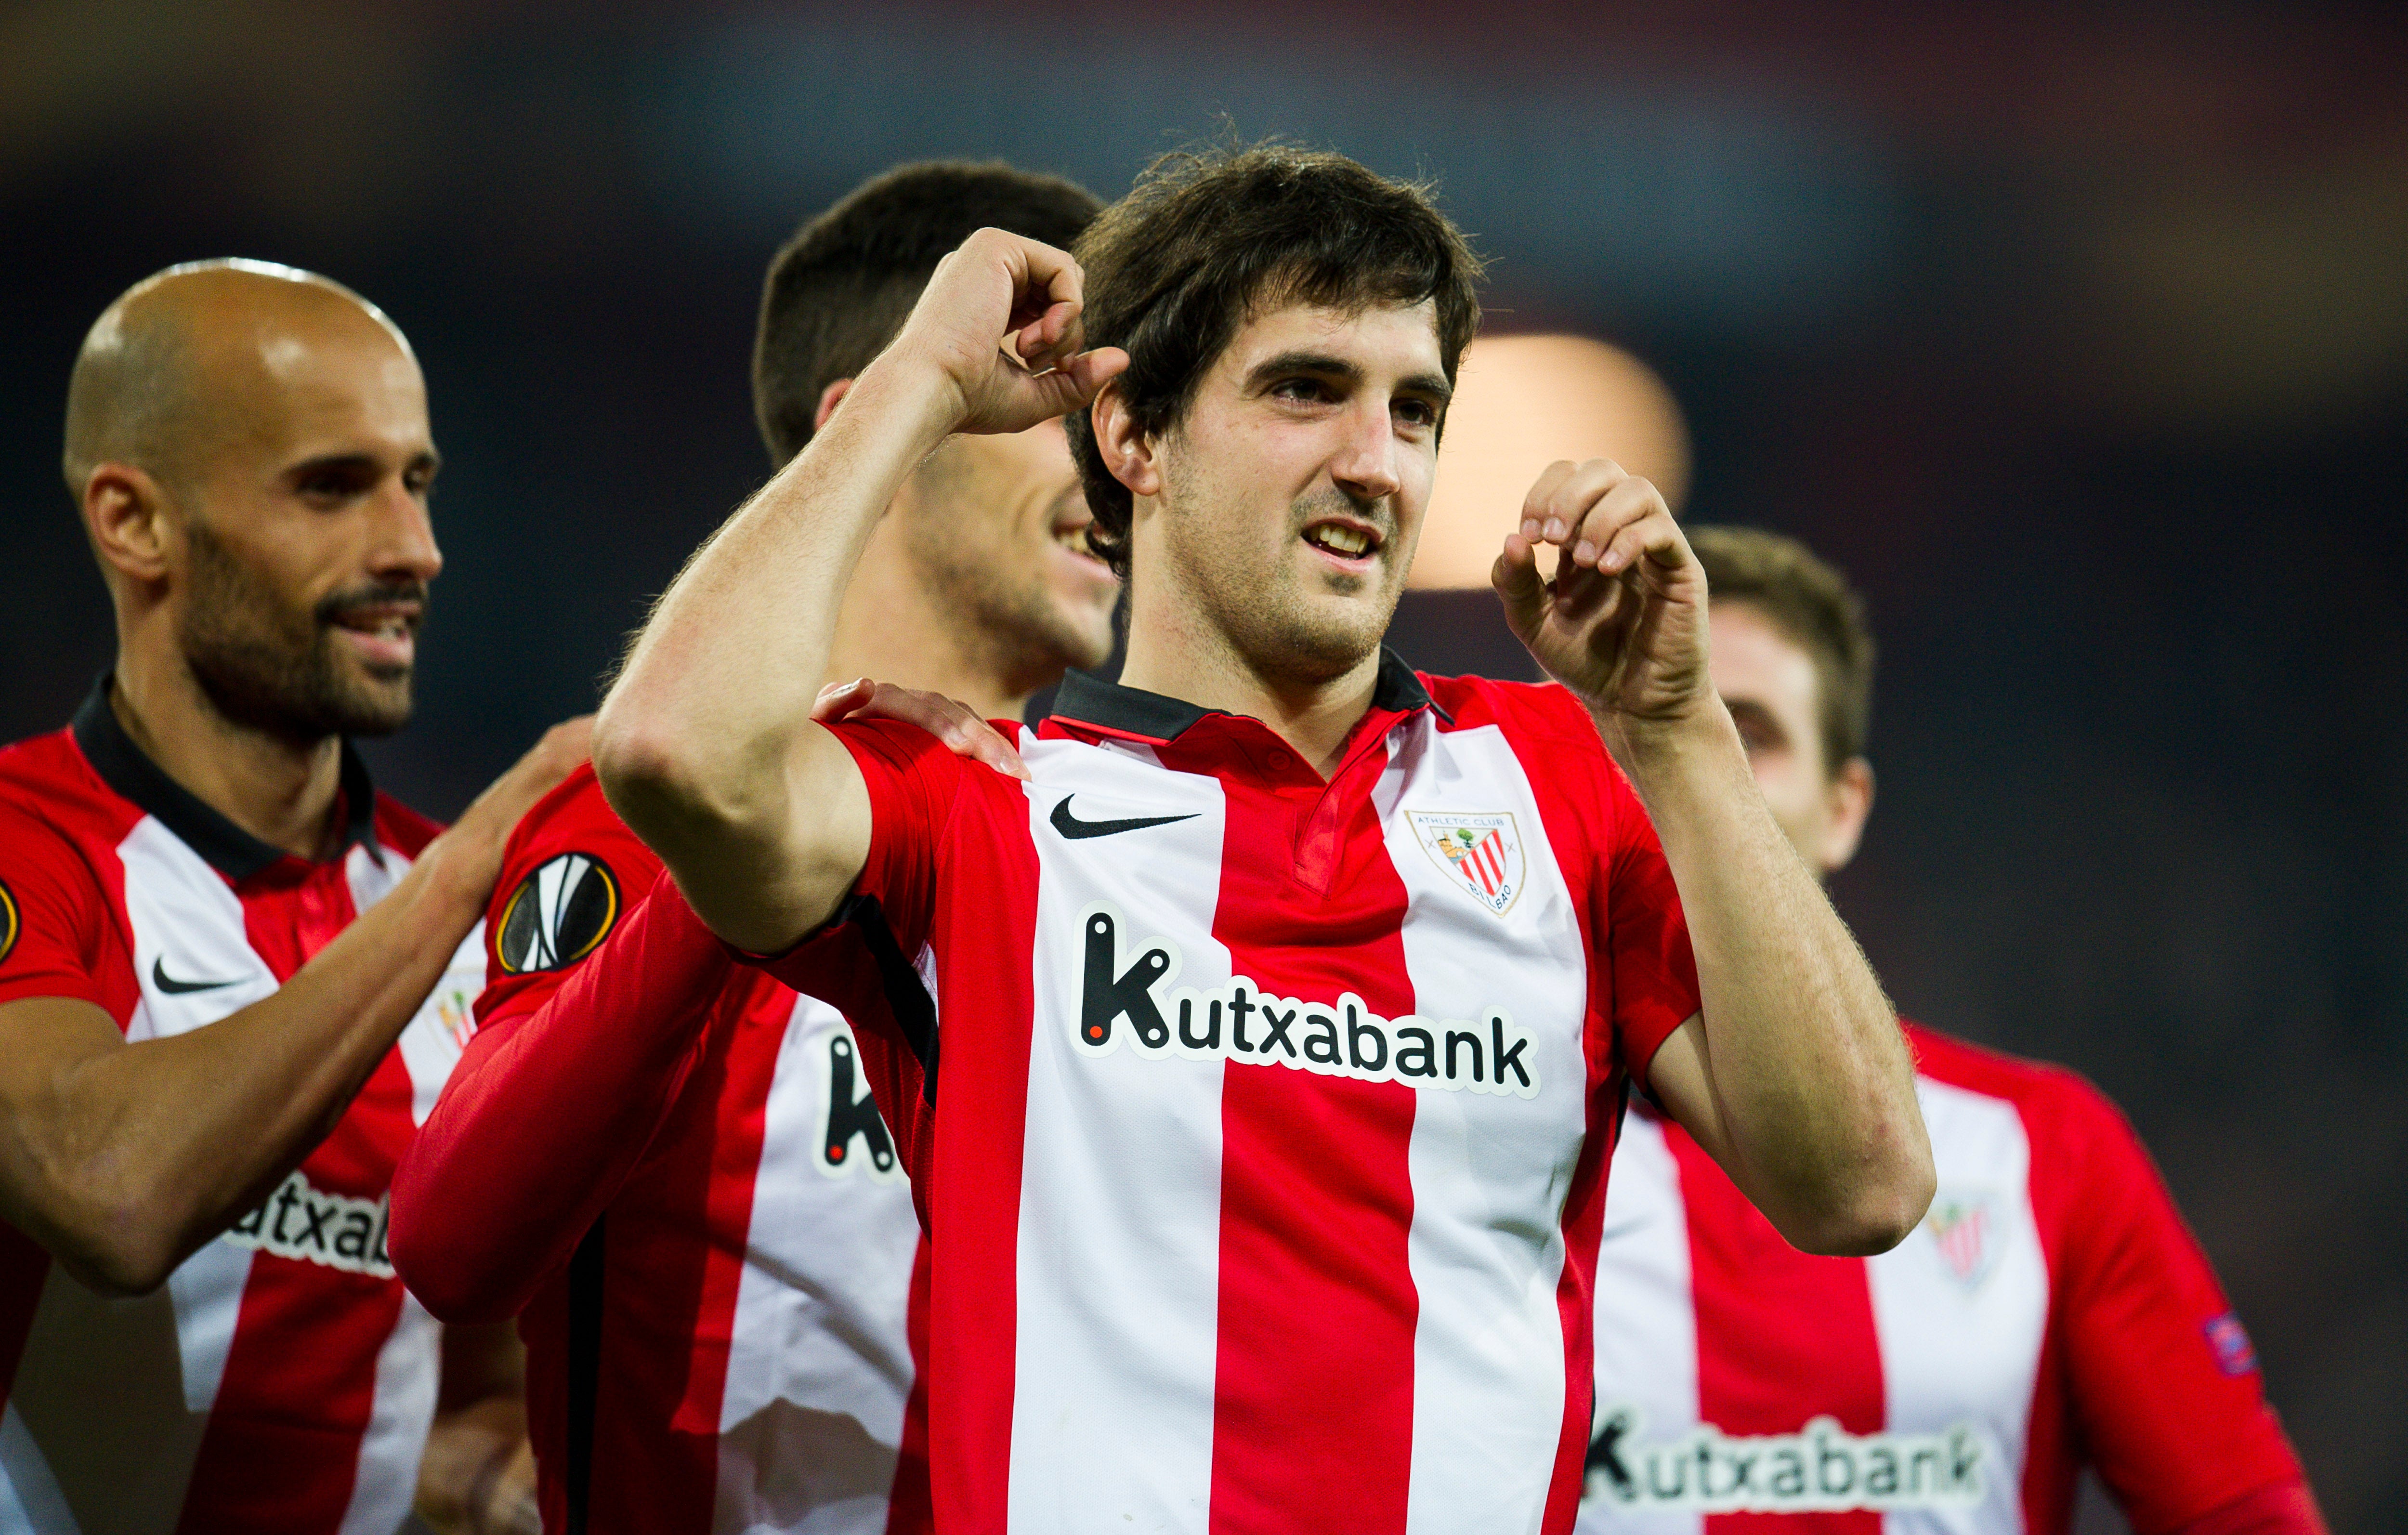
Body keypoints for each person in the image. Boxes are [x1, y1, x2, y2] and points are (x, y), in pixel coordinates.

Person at [589, 141, 1936, 1534]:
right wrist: (917, 387)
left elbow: (1865, 1182)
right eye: (1305, 390)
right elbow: (673, 751)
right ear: (1133, 438)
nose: (1375, 463)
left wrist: (1677, 728)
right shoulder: (980, 801)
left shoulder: (1556, 783)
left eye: (1415, 410)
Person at [386, 161, 1118, 1535]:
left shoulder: (1134, 859)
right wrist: (743, 859)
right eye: (1056, 404)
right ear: (888, 423)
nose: (1114, 471)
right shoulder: (634, 827)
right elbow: (455, 1240)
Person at [1578, 525, 2327, 1535]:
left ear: (1844, 813)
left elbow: (2241, 1516)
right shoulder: (1467, 1131)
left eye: (1744, 732)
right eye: (1637, 726)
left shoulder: (2045, 1152)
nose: (1686, 764)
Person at [0, 260, 583, 1534]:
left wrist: (491, 1476)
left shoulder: (473, 918)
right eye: (333, 487)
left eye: (416, 482)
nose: (413, 550)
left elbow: (469, 1385)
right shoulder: (28, 845)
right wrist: (478, 858)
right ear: (132, 522)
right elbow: (108, 1190)